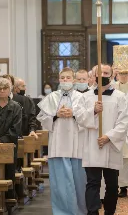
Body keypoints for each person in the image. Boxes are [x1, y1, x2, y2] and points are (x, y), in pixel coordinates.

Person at [37, 67, 88, 215]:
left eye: (68, 78)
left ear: (74, 80)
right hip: (58, 146)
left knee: (79, 182)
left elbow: (89, 119)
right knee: (60, 184)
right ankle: (61, 212)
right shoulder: (52, 97)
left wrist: (74, 114)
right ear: (59, 80)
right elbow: (42, 119)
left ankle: (80, 211)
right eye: (63, 78)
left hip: (77, 145)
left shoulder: (82, 97)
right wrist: (55, 114)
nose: (65, 80)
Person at [81, 64, 128, 215]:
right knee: (92, 183)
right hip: (92, 145)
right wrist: (93, 111)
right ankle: (92, 212)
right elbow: (80, 118)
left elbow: (124, 121)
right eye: (99, 73)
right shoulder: (86, 96)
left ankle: (110, 211)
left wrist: (109, 137)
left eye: (106, 73)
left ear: (111, 75)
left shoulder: (120, 97)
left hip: (111, 146)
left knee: (111, 184)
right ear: (94, 75)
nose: (102, 75)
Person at [0, 78, 21, 199]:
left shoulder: (16, 107)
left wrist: (1, 140)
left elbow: (16, 128)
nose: (2, 91)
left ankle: (8, 199)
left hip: (9, 146)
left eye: (5, 88)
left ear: (9, 89)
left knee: (8, 173)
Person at [110, 66, 128, 197]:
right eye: (121, 73)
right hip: (118, 124)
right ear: (117, 74)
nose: (124, 76)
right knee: (119, 157)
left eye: (126, 73)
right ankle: (122, 186)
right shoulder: (113, 86)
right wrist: (111, 75)